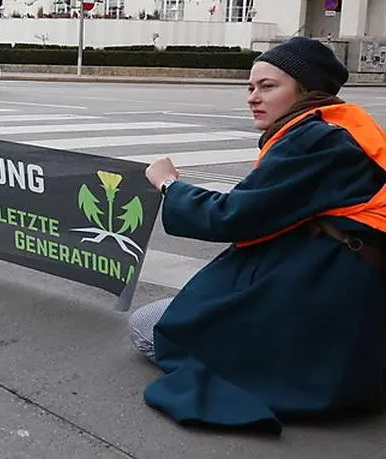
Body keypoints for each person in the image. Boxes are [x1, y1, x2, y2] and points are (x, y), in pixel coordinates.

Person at [129, 36, 386, 435]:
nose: (253, 97)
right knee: (179, 310)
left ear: (306, 91)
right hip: (337, 293)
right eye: (250, 87)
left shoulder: (314, 140)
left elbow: (232, 216)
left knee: (148, 325)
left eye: (268, 86)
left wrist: (169, 186)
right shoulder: (342, 130)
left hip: (319, 306)